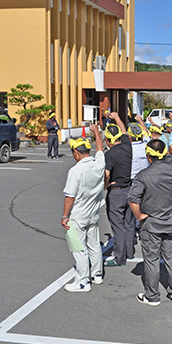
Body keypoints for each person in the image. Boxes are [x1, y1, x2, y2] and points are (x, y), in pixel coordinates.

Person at [129, 139, 172, 306]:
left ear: (148, 156)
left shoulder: (143, 176)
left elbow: (133, 199)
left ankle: (152, 296)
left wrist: (139, 216)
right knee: (171, 258)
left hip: (152, 223)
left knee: (152, 260)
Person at [60, 125, 105, 292]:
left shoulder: (75, 171)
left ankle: (83, 281)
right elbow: (100, 149)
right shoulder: (98, 164)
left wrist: (65, 216)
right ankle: (97, 274)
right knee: (94, 245)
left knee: (79, 249)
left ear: (76, 153)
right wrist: (96, 133)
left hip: (78, 215)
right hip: (93, 212)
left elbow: (69, 196)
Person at [102, 113, 134, 268]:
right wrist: (117, 117)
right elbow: (124, 130)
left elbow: (107, 174)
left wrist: (105, 185)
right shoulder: (127, 146)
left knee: (118, 226)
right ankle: (129, 252)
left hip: (116, 192)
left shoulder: (110, 154)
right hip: (129, 189)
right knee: (128, 223)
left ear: (108, 140)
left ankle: (119, 257)